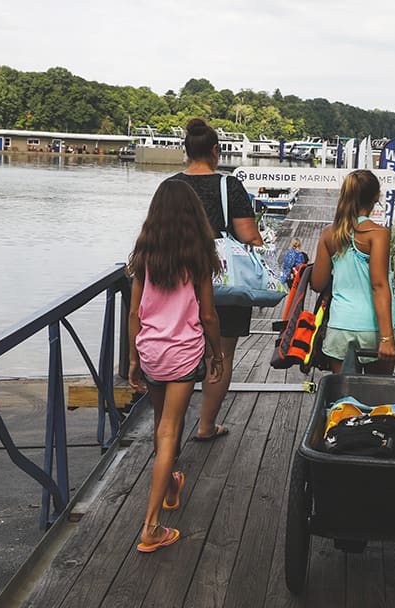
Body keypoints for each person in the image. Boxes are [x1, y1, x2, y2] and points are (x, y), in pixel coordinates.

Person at [126, 179, 223, 553]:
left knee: (160, 423)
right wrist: (218, 354)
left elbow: (135, 312)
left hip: (150, 350)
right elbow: (209, 314)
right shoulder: (198, 256)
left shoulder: (146, 255)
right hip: (183, 351)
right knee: (170, 429)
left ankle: (170, 487)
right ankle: (150, 527)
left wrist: (134, 358)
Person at [169, 118, 264, 440]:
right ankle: (206, 425)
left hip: (177, 279)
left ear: (186, 150)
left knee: (177, 348)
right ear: (215, 150)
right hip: (224, 281)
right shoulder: (230, 186)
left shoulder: (170, 186)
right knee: (219, 354)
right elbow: (249, 237)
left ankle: (171, 426)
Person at [310, 169, 395, 374]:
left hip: (341, 325)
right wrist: (386, 338)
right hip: (374, 328)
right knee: (378, 400)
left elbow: (317, 283)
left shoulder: (329, 234)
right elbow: (378, 285)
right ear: (376, 196)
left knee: (343, 398)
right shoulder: (377, 234)